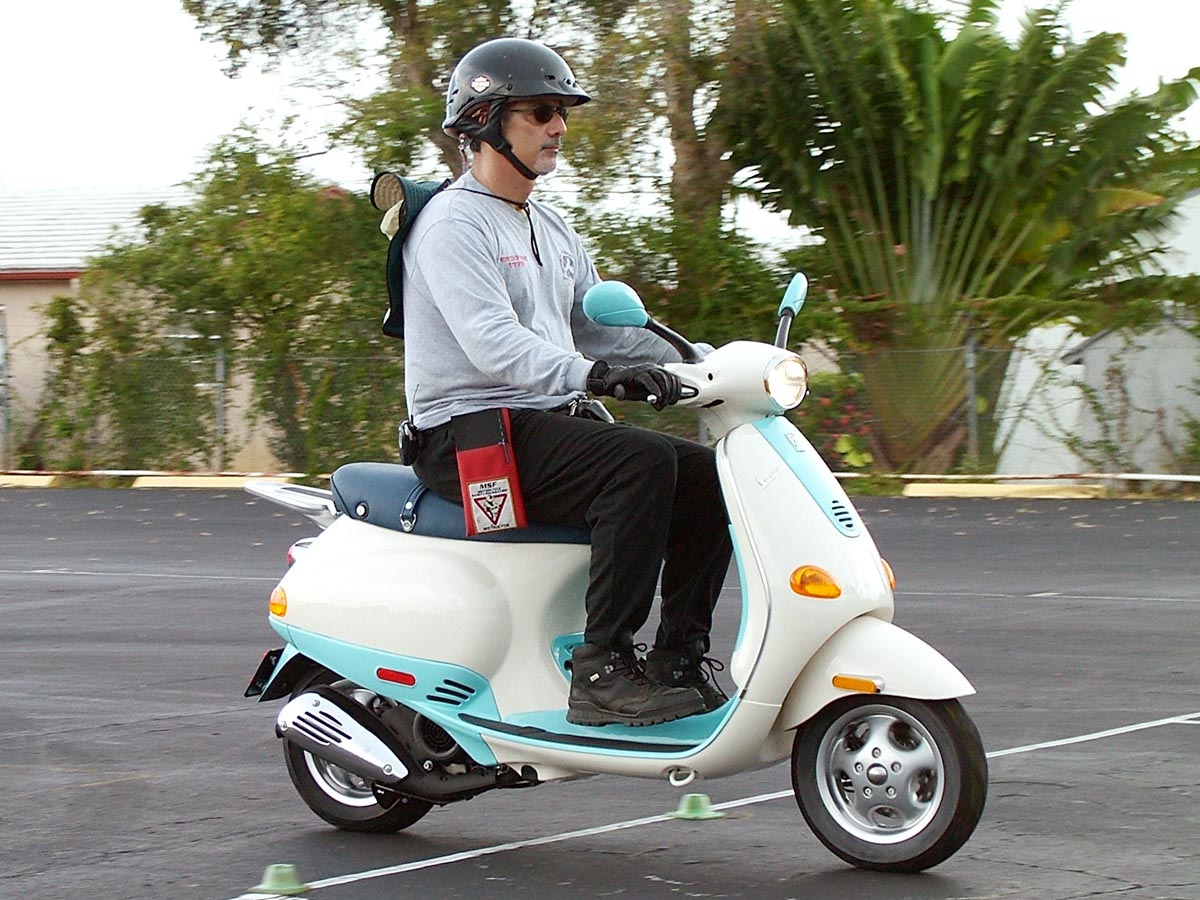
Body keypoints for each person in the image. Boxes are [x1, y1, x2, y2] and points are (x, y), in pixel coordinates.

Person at [402, 37, 732, 727]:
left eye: (562, 112)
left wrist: (708, 362)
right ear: (485, 121)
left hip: (537, 422)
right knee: (639, 463)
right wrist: (595, 376)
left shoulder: (549, 225)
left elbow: (602, 329)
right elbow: (494, 344)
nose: (558, 126)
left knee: (706, 474)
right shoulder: (451, 225)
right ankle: (602, 670)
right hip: (467, 434)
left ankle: (677, 657)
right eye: (541, 111)